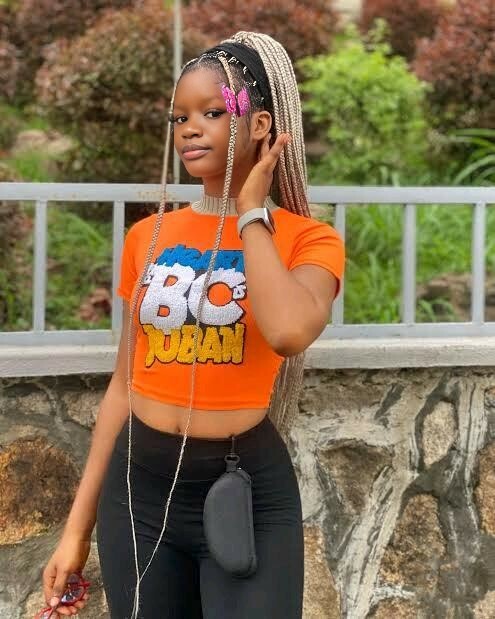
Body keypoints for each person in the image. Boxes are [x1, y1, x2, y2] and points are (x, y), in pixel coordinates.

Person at [40, 31, 345, 619]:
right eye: (180, 116)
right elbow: (124, 387)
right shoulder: (148, 236)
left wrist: (251, 214)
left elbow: (288, 332)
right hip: (138, 491)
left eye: (212, 112)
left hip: (244, 492)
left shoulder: (309, 240)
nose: (190, 128)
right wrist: (76, 531)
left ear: (260, 125)